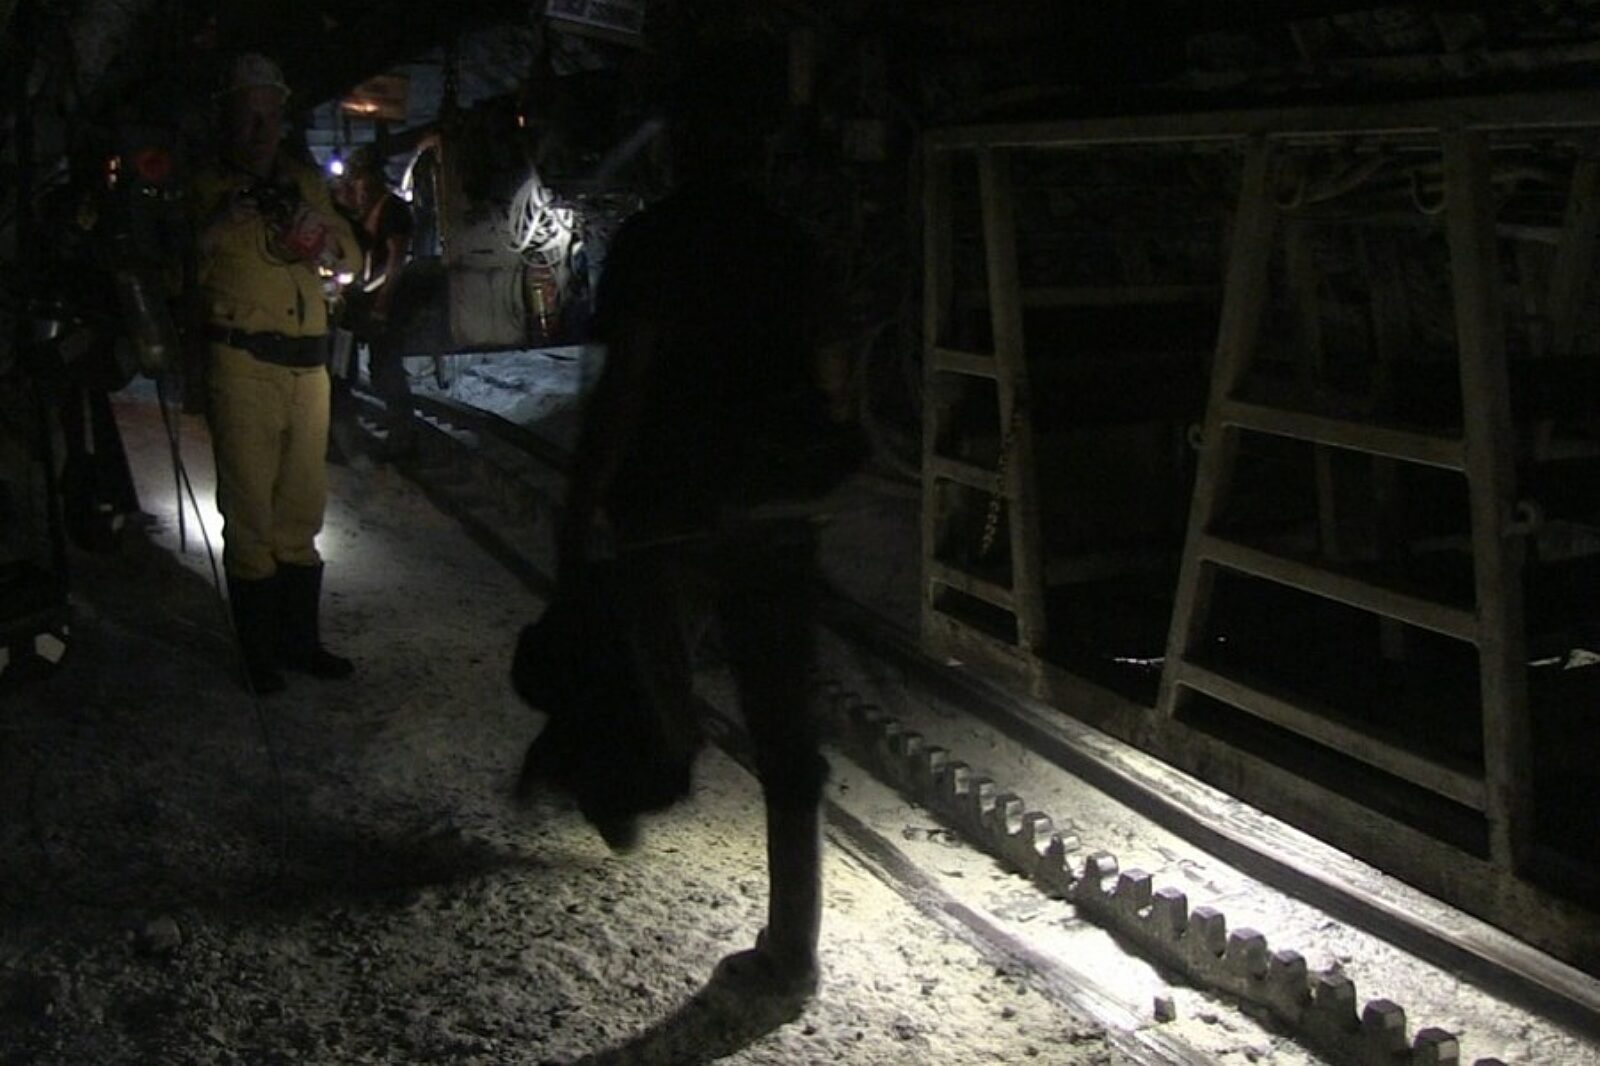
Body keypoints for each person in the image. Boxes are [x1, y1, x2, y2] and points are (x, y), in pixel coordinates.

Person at [513, 57, 868, 1000]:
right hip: (777, 511)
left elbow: (624, 384)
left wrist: (583, 501)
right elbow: (835, 375)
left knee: (647, 690)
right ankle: (792, 951)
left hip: (670, 512)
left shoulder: (653, 242)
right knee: (785, 729)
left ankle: (623, 787)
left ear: (677, 148)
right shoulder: (793, 244)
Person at [189, 53, 361, 694]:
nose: (262, 131)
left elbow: (351, 254)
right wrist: (215, 227)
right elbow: (177, 266)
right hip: (244, 364)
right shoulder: (205, 186)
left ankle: (301, 644)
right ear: (228, 118)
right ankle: (259, 655)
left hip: (308, 366)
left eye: (271, 116)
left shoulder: (301, 182)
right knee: (251, 515)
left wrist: (326, 243)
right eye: (249, 116)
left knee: (301, 511)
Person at [334, 145, 417, 459]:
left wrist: (382, 305)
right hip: (357, 303)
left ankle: (403, 435)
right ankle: (344, 429)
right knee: (342, 367)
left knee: (385, 369)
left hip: (386, 305)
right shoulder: (361, 212)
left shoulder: (393, 210)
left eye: (361, 179)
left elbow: (396, 260)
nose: (359, 187)